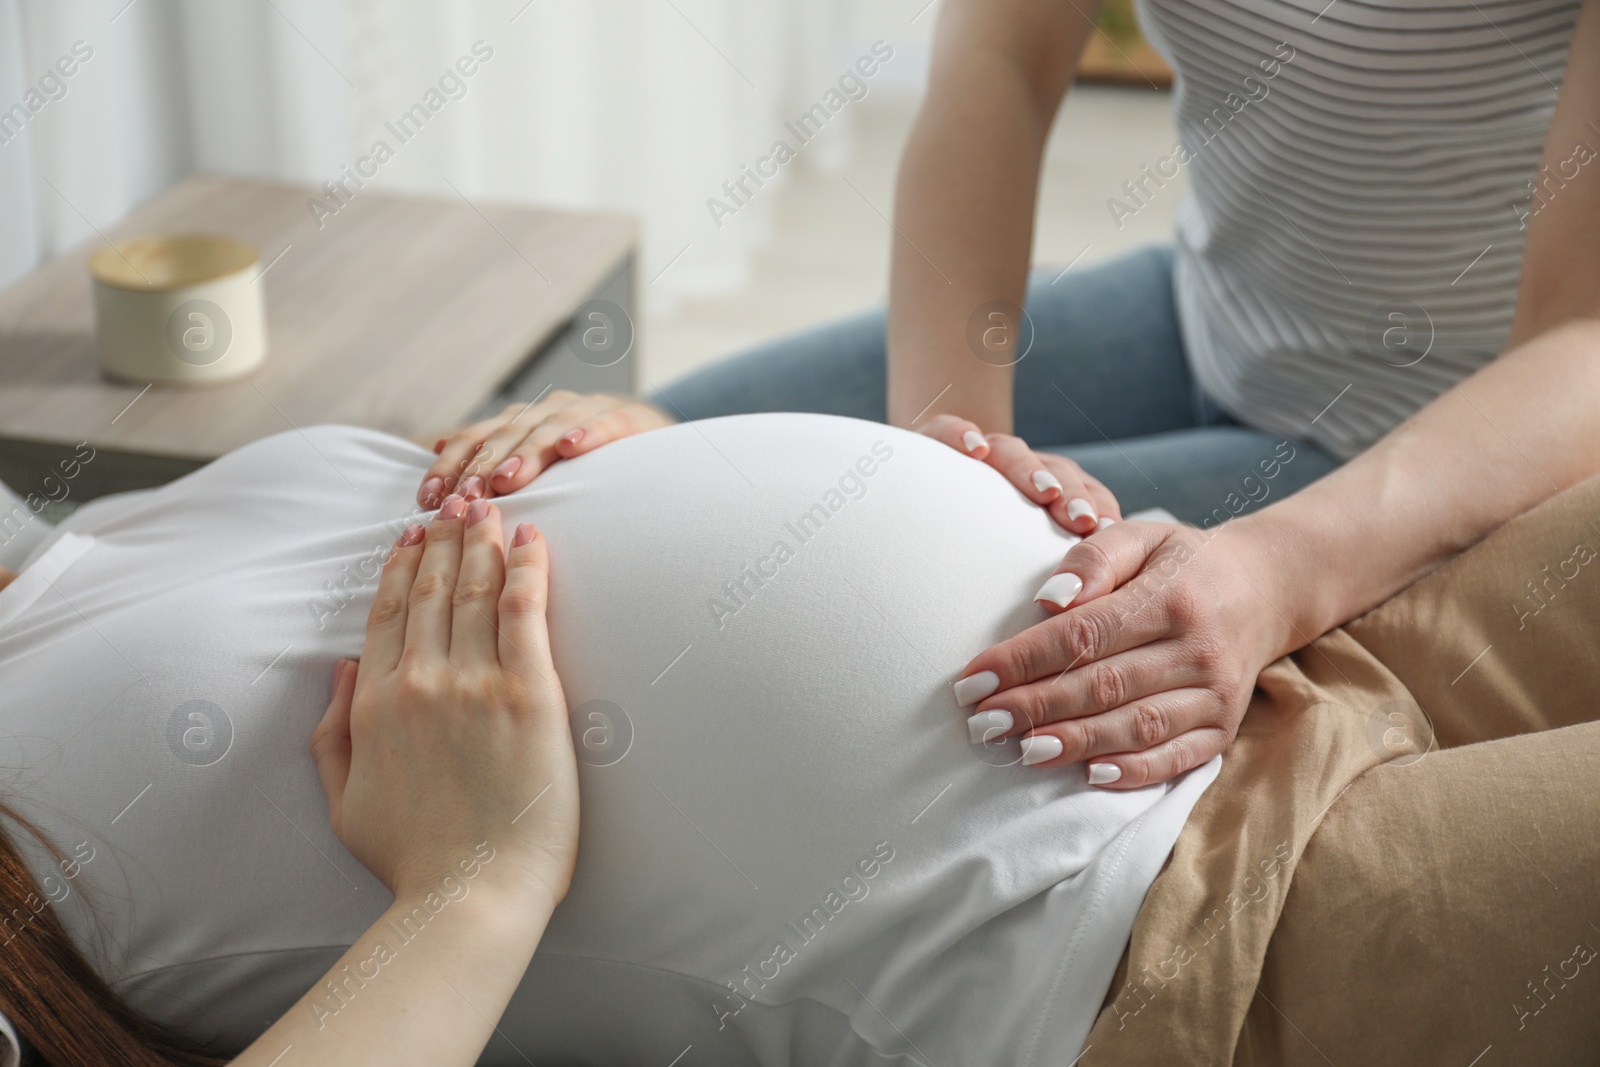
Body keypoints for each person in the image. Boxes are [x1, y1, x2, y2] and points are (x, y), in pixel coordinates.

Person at [431, 0, 1600, 790]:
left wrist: (1279, 572)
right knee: (616, 477)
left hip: (1466, 427)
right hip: (1205, 312)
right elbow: (999, 55)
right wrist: (935, 460)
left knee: (902, 624)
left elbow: (1582, 334)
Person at [0, 414, 1220, 1066]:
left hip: (1210, 655)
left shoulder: (68, 542)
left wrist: (655, 443)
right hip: (1158, 941)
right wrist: (476, 879)